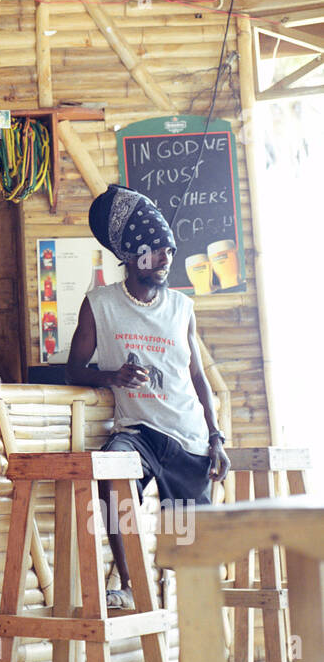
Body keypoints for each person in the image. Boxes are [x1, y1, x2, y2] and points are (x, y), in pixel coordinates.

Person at [66, 184, 230, 609]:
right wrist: (112, 376)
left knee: (187, 557)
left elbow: (197, 376)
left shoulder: (181, 307)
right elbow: (72, 370)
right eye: (154, 251)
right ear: (131, 256)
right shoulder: (99, 305)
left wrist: (216, 438)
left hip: (188, 439)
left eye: (169, 252)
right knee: (112, 477)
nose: (164, 260)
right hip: (137, 431)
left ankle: (194, 626)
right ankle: (129, 581)